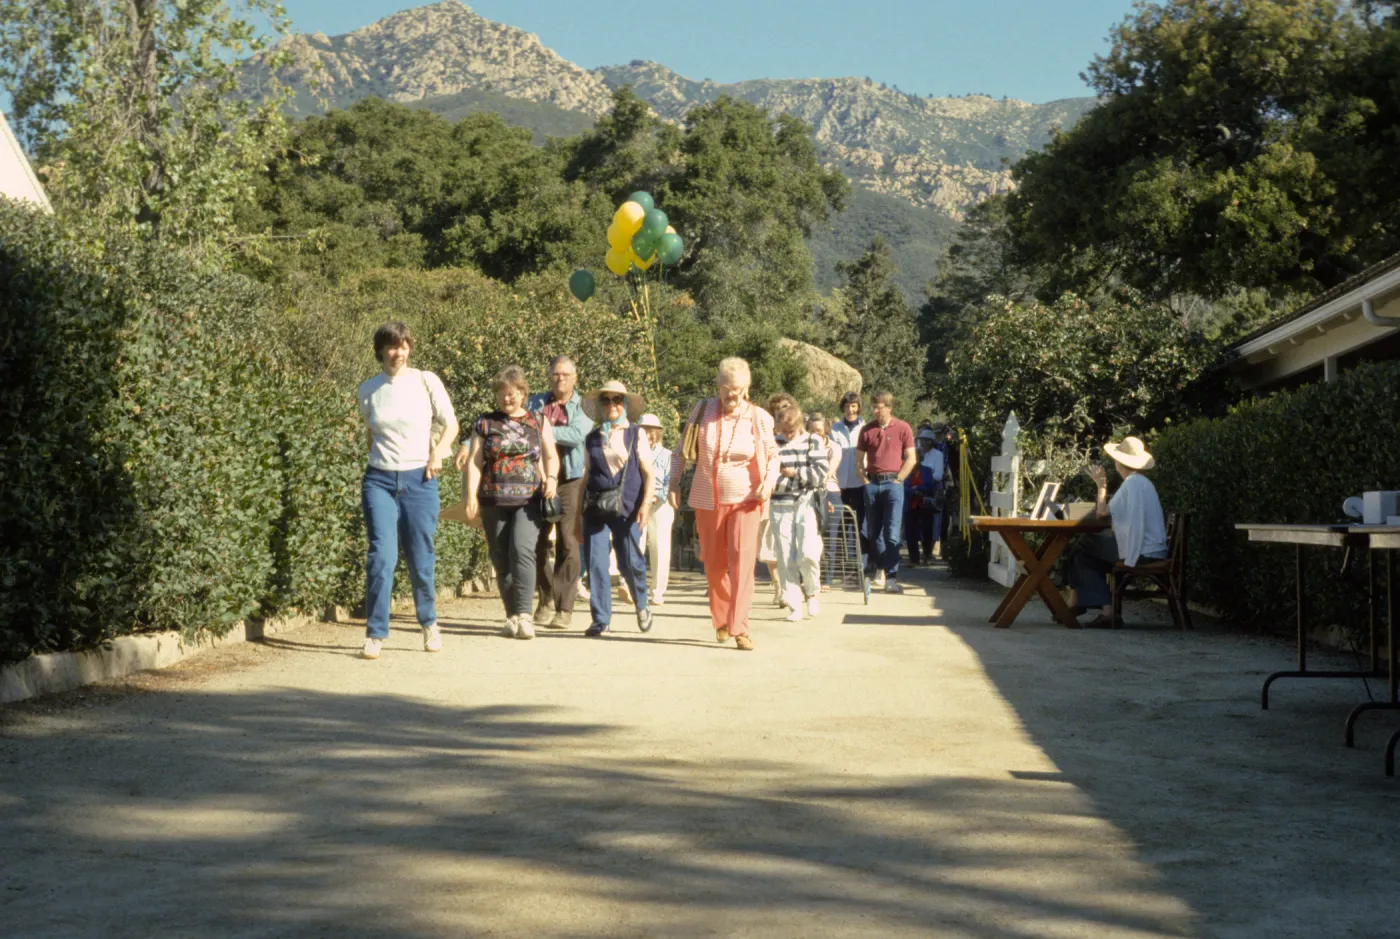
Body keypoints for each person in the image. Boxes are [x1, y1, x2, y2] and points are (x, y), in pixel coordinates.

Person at [356, 322, 460, 660]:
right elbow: (371, 433)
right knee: (381, 556)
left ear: (410, 348)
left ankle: (429, 623)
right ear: (381, 350)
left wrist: (438, 452)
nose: (397, 352)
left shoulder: (426, 381)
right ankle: (375, 633)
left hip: (420, 479)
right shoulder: (368, 390)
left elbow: (451, 424)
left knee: (420, 557)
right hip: (380, 480)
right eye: (391, 346)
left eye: (403, 345)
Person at [684, 357, 780, 651]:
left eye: (736, 388)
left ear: (747, 387)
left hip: (747, 500)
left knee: (742, 564)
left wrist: (769, 481)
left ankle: (740, 627)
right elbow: (680, 451)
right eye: (725, 387)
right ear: (718, 384)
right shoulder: (702, 410)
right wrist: (675, 485)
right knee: (713, 566)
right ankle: (722, 620)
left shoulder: (760, 417)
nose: (730, 393)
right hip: (708, 500)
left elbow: (773, 454)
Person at [457, 365, 560, 640]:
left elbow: (551, 455)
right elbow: (476, 463)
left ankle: (525, 616)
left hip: (529, 499)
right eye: (502, 393)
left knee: (522, 551)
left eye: (512, 393)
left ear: (523, 393)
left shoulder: (538, 421)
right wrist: (470, 497)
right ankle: (511, 616)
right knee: (501, 558)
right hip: (492, 499)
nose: (507, 398)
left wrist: (551, 478)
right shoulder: (484, 423)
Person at [578, 380, 655, 637]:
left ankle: (641, 603)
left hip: (628, 507)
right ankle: (601, 619)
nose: (611, 405)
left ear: (625, 404)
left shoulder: (636, 433)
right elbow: (585, 475)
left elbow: (648, 472)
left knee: (630, 562)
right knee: (596, 562)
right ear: (600, 405)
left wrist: (645, 504)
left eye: (617, 400)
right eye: (606, 400)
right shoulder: (592, 437)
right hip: (596, 506)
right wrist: (576, 516)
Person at [1070, 436, 1168, 627]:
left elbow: (1102, 514)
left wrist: (1101, 485)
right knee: (1084, 555)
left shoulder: (1130, 484)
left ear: (1119, 461)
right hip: (1154, 550)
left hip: (1141, 552)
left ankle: (1082, 603)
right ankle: (1093, 607)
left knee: (1083, 544)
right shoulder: (1143, 483)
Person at [528, 355, 594, 629]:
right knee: (537, 542)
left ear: (575, 378)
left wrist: (541, 430)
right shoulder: (534, 402)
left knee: (568, 540)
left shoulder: (585, 406)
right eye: (555, 374)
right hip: (537, 478)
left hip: (571, 478)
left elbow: (578, 434)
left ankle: (564, 607)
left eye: (565, 374)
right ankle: (545, 600)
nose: (560, 379)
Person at [770, 398, 829, 620]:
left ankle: (812, 592)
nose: (786, 436)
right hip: (779, 503)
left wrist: (796, 475)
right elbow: (768, 474)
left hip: (805, 502)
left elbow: (820, 475)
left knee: (807, 553)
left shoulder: (813, 441)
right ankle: (794, 603)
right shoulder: (772, 443)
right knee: (785, 556)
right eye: (783, 431)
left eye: (790, 431)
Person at [857, 391, 917, 594]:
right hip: (873, 483)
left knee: (892, 532)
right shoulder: (867, 430)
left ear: (889, 407)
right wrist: (866, 482)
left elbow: (911, 458)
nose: (875, 411)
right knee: (873, 532)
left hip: (894, 484)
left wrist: (899, 479)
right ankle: (880, 569)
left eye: (879, 407)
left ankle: (891, 576)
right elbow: (859, 461)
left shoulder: (903, 427)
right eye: (873, 407)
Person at [638, 412, 676, 606]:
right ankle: (635, 587)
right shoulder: (634, 453)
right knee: (636, 545)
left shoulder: (668, 455)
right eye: (643, 431)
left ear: (657, 433)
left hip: (660, 506)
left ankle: (657, 591)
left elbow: (671, 483)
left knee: (659, 547)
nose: (647, 435)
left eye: (651, 431)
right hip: (639, 504)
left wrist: (655, 496)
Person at [830, 391, 868, 562]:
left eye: (853, 406)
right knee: (840, 523)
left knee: (860, 523)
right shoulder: (835, 429)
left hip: (859, 482)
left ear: (859, 407)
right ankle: (843, 559)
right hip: (839, 483)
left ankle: (861, 560)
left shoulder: (865, 428)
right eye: (847, 406)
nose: (850, 410)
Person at [808, 412, 843, 593]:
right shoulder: (804, 446)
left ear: (826, 430)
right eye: (813, 430)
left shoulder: (835, 447)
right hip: (809, 492)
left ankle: (827, 578)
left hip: (830, 491)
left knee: (830, 537)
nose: (816, 434)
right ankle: (809, 577)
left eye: (820, 430)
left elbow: (830, 470)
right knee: (809, 537)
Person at [905, 427, 945, 566]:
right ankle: (914, 557)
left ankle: (927, 554)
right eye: (922, 440)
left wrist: (920, 487)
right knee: (911, 530)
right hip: (912, 500)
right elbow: (904, 483)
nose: (924, 443)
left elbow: (937, 475)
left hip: (927, 496)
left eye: (927, 441)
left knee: (928, 528)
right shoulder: (910, 464)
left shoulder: (937, 456)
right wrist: (914, 490)